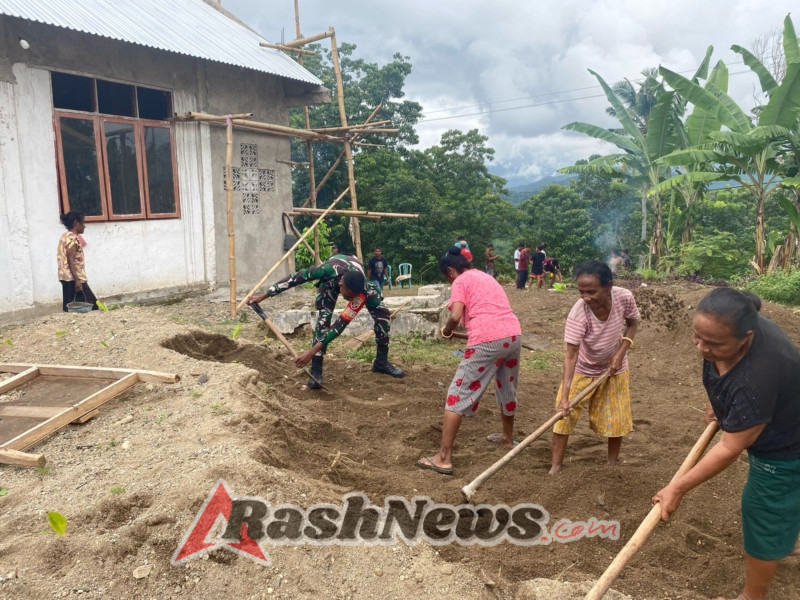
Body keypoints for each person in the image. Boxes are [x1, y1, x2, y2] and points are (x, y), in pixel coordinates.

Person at [652, 289, 800, 600]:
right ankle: (791, 532)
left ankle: (752, 597)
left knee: (763, 510)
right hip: (780, 411)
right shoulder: (735, 324)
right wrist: (718, 402)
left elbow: (730, 447)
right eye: (697, 337)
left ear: (746, 338)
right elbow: (719, 369)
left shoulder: (758, 376)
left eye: (714, 343)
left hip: (788, 446)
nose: (701, 347)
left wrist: (677, 488)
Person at [417, 247, 522, 475]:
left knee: (458, 393)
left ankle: (443, 458)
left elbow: (455, 315)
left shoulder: (460, 281)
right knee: (507, 387)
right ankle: (507, 438)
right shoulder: (485, 277)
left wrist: (446, 330)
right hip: (513, 335)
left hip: (488, 339)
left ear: (450, 271)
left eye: (447, 277)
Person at [246, 253, 405, 388]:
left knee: (383, 315)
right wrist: (263, 296)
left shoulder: (362, 291)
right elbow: (294, 279)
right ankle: (316, 371)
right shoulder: (325, 271)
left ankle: (381, 362)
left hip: (354, 275)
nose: (351, 300)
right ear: (341, 285)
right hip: (330, 280)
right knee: (323, 321)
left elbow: (340, 325)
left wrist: (309, 352)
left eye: (353, 298)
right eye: (349, 297)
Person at [550, 260, 640, 475]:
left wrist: (620, 353)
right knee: (563, 418)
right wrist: (565, 397)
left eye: (591, 292)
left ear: (608, 286)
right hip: (582, 368)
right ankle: (555, 466)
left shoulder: (624, 297)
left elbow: (633, 323)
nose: (585, 297)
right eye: (581, 292)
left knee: (616, 417)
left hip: (614, 369)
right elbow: (571, 355)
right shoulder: (578, 314)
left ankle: (612, 464)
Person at [57, 211, 98, 312]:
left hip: (66, 277)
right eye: (83, 223)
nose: (84, 226)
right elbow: (70, 260)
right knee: (92, 305)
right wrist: (77, 281)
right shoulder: (72, 238)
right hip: (74, 278)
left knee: (69, 307)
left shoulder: (65, 236)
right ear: (76, 223)